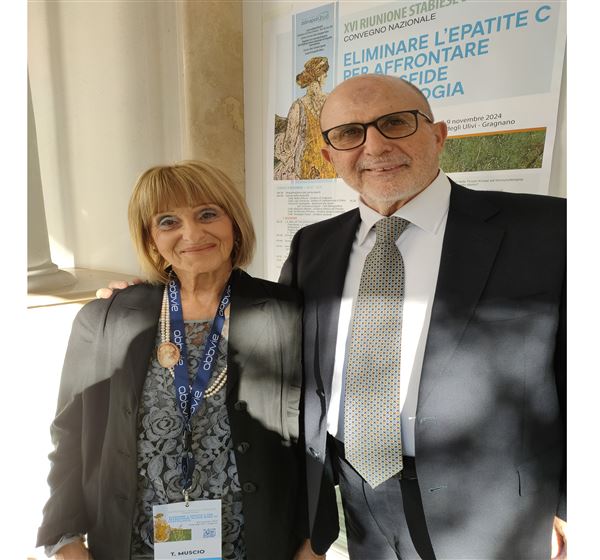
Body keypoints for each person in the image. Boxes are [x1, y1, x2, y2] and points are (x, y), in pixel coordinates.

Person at [279, 74, 566, 560]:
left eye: (395, 123)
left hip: (495, 508)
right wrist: (157, 292)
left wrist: (572, 504)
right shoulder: (313, 245)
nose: (375, 146)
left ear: (437, 135)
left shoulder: (550, 229)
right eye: (349, 133)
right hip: (358, 499)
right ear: (329, 157)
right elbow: (279, 355)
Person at [36, 161, 308, 560]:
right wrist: (65, 537)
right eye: (168, 222)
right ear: (151, 238)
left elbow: (315, 434)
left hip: (255, 542)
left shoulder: (289, 312)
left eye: (208, 214)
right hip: (133, 544)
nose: (192, 234)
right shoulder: (105, 318)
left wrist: (314, 541)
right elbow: (71, 433)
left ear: (234, 223)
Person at [274, 56, 337, 180]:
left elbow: (288, 146)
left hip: (307, 163)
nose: (326, 76)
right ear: (319, 77)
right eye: (325, 74)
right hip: (329, 162)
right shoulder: (331, 100)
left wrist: (277, 140)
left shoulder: (298, 106)